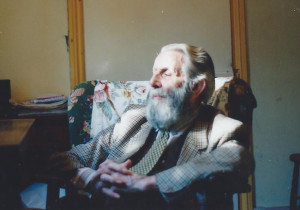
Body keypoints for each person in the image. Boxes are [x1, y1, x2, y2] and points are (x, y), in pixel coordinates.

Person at [51, 43, 254, 210]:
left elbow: (236, 158)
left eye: (165, 74)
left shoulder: (220, 129)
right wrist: (92, 179)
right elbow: (67, 158)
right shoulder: (135, 118)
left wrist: (146, 183)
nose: (152, 82)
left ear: (196, 87)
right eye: (154, 73)